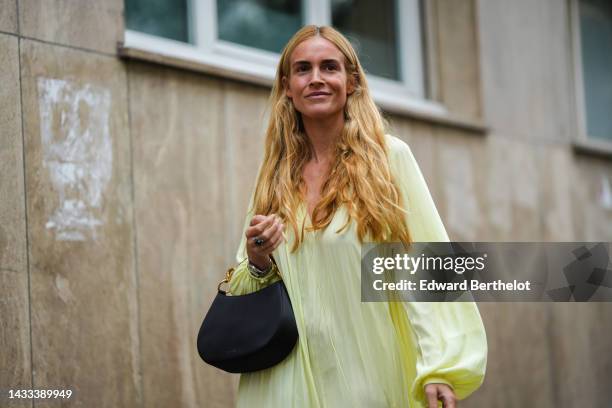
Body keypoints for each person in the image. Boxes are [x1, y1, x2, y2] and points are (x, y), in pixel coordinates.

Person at [228, 25, 487, 408]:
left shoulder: (389, 159)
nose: (316, 78)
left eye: (329, 67)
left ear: (351, 82)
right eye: (303, 69)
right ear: (287, 86)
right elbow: (244, 281)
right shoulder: (274, 172)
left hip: (365, 375)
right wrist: (258, 257)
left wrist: (439, 368)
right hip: (285, 381)